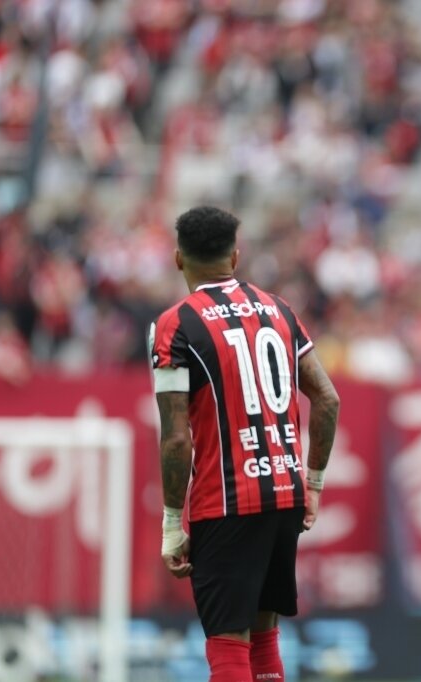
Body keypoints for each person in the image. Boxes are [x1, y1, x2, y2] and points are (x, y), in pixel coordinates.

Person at [148, 206, 340, 682]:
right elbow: (328, 399)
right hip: (283, 495)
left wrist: (173, 522)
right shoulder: (278, 308)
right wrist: (311, 484)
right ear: (236, 255)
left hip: (225, 502)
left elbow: (176, 437)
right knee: (263, 637)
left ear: (178, 260)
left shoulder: (175, 325)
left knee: (227, 645)